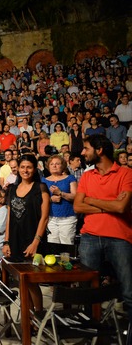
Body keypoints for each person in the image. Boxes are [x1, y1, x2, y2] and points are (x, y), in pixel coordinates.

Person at [74, 134, 132, 332]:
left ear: (99, 150)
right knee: (87, 291)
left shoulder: (126, 174)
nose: (82, 152)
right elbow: (77, 206)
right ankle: (92, 331)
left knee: (128, 291)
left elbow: (122, 207)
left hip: (120, 237)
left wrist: (91, 200)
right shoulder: (88, 175)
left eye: (86, 148)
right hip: (90, 236)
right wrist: (111, 205)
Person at [2, 154, 50, 312]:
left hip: (33, 240)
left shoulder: (40, 188)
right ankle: (27, 319)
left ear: (35, 169)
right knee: (21, 282)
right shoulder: (12, 189)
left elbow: (44, 218)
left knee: (32, 282)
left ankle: (38, 316)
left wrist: (35, 242)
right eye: (22, 167)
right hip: (15, 241)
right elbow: (9, 218)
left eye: (29, 167)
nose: (25, 170)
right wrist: (6, 241)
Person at [41, 155, 77, 244]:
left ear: (63, 166)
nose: (54, 166)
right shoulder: (43, 180)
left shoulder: (70, 178)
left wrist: (61, 193)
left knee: (67, 243)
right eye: (52, 164)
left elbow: (76, 196)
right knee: (52, 244)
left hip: (67, 217)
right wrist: (50, 199)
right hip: (50, 217)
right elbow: (39, 199)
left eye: (57, 164)